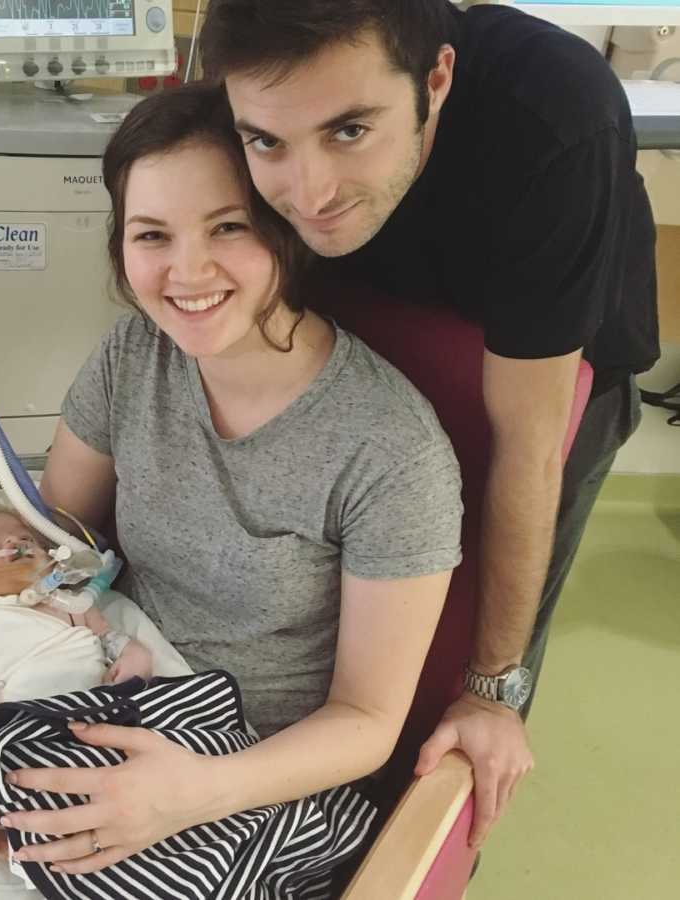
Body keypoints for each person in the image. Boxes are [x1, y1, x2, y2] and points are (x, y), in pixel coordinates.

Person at [0, 81, 463, 878]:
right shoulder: (134, 358)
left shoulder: (390, 451)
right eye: (151, 235)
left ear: (284, 231)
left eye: (227, 226)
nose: (185, 271)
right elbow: (57, 543)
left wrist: (192, 793)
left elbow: (368, 719)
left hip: (265, 764)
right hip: (119, 694)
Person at [198, 0, 659, 850]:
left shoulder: (555, 115)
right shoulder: (248, 90)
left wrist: (490, 696)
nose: (310, 193)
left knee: (467, 671)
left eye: (349, 131)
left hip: (541, 370)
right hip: (361, 337)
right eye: (266, 142)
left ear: (436, 79)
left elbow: (527, 445)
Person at [0, 508, 156, 766]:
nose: (15, 543)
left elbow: (109, 639)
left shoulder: (72, 605)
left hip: (97, 714)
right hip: (23, 732)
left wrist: (134, 655)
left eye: (27, 539)